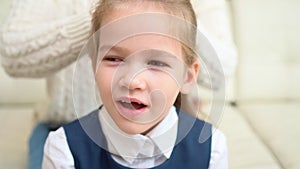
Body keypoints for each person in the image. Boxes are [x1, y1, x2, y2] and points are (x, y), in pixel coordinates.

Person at [0, 0, 236, 168]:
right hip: (67, 130)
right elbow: (11, 54)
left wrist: (168, 15)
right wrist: (110, 15)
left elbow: (223, 70)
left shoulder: (211, 147)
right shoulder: (62, 148)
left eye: (155, 62)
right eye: (114, 59)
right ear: (94, 63)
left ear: (188, 76)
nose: (132, 80)